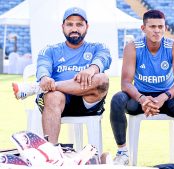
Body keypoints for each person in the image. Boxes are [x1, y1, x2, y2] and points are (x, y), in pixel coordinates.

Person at [12, 7, 111, 144]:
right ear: (62, 27)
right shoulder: (50, 50)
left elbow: (103, 59)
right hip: (57, 101)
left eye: (79, 24)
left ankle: (37, 88)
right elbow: (43, 67)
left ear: (87, 27)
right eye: (70, 24)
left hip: (88, 101)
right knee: (52, 95)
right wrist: (45, 79)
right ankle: (51, 153)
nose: (74, 28)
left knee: (102, 79)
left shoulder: (98, 47)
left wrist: (91, 69)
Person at [110, 9, 174, 165]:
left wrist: (163, 97)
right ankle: (122, 152)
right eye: (152, 26)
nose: (157, 30)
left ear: (165, 28)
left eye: (160, 27)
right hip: (140, 98)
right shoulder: (133, 47)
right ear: (143, 28)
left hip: (167, 98)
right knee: (117, 99)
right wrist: (142, 98)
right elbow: (125, 83)